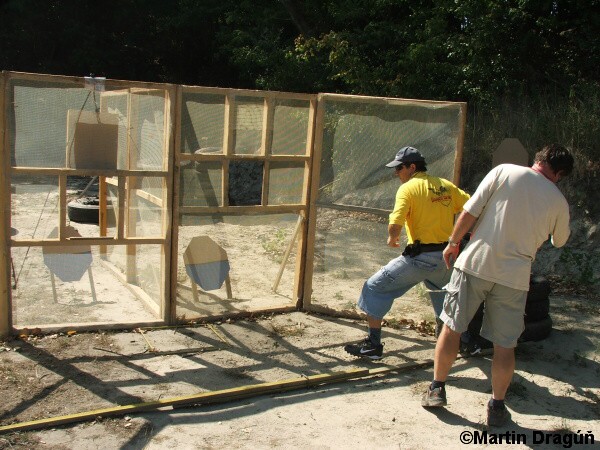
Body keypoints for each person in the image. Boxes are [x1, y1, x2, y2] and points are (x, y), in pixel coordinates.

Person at [421, 143, 574, 427]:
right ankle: (497, 406)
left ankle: (437, 389)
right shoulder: (559, 201)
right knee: (505, 345)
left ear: (538, 158)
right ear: (560, 173)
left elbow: (470, 212)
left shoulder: (504, 171)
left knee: (452, 327)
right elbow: (559, 240)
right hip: (514, 277)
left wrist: (453, 243)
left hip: (476, 263)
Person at [344, 146, 470, 360]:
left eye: (399, 168)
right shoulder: (445, 185)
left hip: (421, 258)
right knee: (444, 300)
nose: (396, 173)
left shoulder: (408, 188)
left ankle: (373, 345)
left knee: (374, 287)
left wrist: (392, 238)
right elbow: (471, 207)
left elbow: (396, 222)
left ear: (412, 167)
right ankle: (460, 344)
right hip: (446, 258)